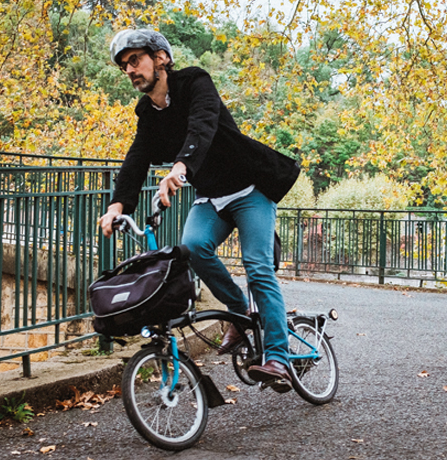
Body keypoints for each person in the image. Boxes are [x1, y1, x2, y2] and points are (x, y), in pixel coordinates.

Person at [98, 29, 300, 393]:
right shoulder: (147, 111)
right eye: (124, 65)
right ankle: (240, 312)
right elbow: (137, 158)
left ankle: (278, 358)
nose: (129, 70)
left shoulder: (195, 82)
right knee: (192, 249)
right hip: (211, 197)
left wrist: (180, 168)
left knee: (257, 266)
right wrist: (117, 206)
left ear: (160, 58)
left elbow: (202, 126)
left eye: (135, 60)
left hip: (249, 189)